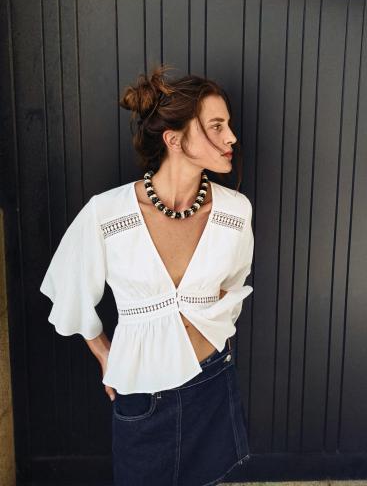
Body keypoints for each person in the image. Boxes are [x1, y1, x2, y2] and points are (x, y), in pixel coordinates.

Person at [39, 63, 255, 486]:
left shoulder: (235, 211)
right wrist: (104, 354)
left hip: (212, 382)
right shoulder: (108, 213)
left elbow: (234, 284)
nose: (231, 137)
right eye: (216, 126)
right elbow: (68, 289)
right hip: (141, 395)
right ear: (174, 139)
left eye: (228, 125)